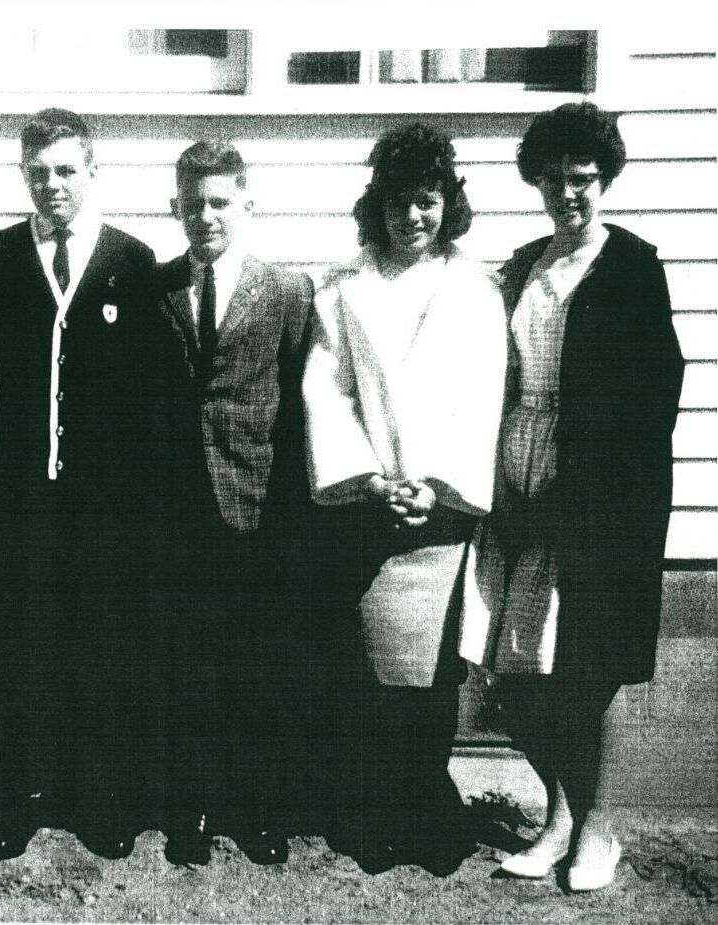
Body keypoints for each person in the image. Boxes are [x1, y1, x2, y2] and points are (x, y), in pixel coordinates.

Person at [459, 102, 684, 891]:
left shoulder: (631, 267)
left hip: (598, 491)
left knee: (589, 666)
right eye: (554, 180)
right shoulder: (525, 264)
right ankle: (557, 815)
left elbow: (652, 396)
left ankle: (600, 826)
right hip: (517, 470)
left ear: (605, 179)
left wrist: (577, 490)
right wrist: (500, 480)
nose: (569, 193)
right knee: (519, 668)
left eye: (582, 178)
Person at [302, 122, 507, 874]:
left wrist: (438, 486)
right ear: (377, 206)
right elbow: (327, 392)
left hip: (441, 512)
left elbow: (484, 396)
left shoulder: (475, 290)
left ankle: (427, 810)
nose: (413, 216)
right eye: (398, 202)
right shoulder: (343, 290)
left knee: (432, 679)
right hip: (373, 503)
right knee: (375, 675)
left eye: (427, 200)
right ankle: (376, 815)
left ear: (447, 204)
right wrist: (369, 481)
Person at [0, 108, 161, 861]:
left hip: (101, 504)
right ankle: (12, 797)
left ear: (91, 171)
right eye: (38, 172)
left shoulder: (132, 260)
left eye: (65, 170)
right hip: (15, 497)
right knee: (15, 648)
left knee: (99, 647)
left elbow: (145, 395)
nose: (52, 184)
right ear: (23, 175)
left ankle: (98, 796)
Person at [152, 141, 315, 866]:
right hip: (175, 507)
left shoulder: (286, 291)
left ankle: (256, 809)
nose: (206, 215)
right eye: (193, 204)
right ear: (175, 207)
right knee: (186, 663)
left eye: (220, 202)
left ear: (247, 202)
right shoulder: (156, 286)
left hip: (256, 501)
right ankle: (190, 805)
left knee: (257, 663)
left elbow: (304, 404)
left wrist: (296, 511)